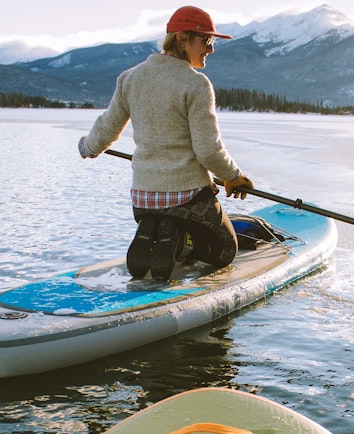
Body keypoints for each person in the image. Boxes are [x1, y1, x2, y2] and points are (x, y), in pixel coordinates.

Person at [78, 5, 253, 281]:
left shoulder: (129, 78)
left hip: (143, 199)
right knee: (225, 250)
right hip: (189, 199)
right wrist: (233, 176)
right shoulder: (196, 84)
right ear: (183, 40)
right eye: (206, 41)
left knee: (164, 216)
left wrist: (87, 147)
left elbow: (107, 128)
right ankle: (181, 241)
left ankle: (157, 227)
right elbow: (208, 150)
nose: (211, 49)